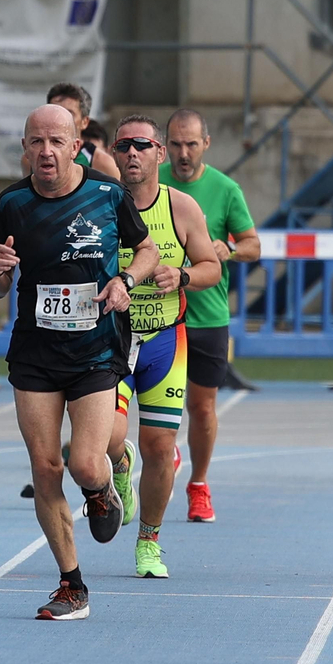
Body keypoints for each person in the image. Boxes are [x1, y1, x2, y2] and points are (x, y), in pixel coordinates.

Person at [0, 103, 157, 620]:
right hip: (35, 352)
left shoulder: (107, 195)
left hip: (96, 350)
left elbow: (147, 250)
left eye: (56, 141)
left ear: (76, 145)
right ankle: (72, 585)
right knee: (45, 468)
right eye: (35, 142)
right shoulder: (11, 203)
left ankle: (103, 486)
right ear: (24, 148)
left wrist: (126, 281)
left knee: (85, 462)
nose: (45, 152)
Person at [107, 115, 222, 578]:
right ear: (114, 155)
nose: (132, 153)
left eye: (142, 145)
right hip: (109, 343)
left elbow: (211, 265)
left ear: (158, 154)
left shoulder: (181, 208)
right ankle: (118, 461)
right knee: (104, 441)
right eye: (124, 146)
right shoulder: (98, 203)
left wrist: (184, 276)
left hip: (165, 343)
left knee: (159, 447)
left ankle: (149, 541)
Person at [160, 108, 260, 522]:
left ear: (206, 144)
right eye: (176, 144)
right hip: (159, 316)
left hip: (208, 317)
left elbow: (253, 245)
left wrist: (229, 250)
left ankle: (198, 484)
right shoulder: (150, 182)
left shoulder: (225, 189)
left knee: (201, 409)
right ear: (165, 146)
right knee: (156, 410)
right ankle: (162, 457)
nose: (183, 153)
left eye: (191, 144)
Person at [21, 82, 121, 181]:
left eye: (69, 113)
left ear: (84, 122)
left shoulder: (103, 163)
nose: (61, 119)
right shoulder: (29, 159)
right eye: (56, 112)